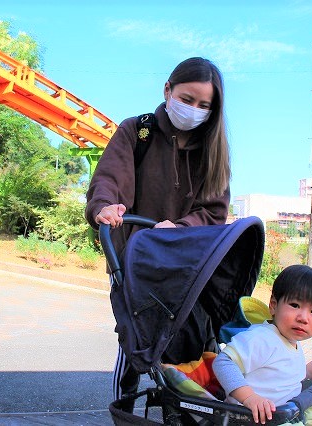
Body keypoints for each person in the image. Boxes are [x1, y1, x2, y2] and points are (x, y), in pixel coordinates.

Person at [85, 57, 231, 408]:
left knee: (190, 340)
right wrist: (105, 206)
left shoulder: (211, 151)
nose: (194, 110)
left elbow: (214, 212)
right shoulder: (138, 132)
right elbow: (109, 179)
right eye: (187, 99)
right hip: (136, 259)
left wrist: (179, 229)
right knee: (135, 337)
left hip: (186, 264)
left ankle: (182, 403)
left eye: (204, 106)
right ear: (167, 90)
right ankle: (124, 404)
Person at [212, 264, 312, 424]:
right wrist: (249, 397)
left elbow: (278, 379)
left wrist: (306, 372)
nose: (303, 318)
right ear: (274, 305)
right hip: (249, 419)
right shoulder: (262, 338)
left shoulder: (291, 341)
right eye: (295, 305)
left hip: (281, 416)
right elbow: (223, 362)